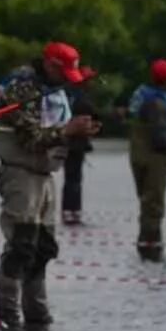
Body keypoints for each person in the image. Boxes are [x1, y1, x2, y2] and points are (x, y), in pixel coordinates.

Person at [0, 42, 101, 328]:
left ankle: (37, 316)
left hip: (46, 174)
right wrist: (67, 130)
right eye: (62, 72)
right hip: (20, 173)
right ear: (50, 64)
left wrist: (81, 131)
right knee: (21, 245)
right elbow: (30, 137)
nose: (66, 79)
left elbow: (55, 131)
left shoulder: (56, 88)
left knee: (43, 247)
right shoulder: (21, 87)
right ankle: (7, 315)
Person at [126, 58, 166, 260]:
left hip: (137, 154)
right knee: (154, 204)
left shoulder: (142, 95)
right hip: (152, 158)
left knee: (146, 202)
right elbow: (160, 136)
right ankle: (151, 249)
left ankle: (147, 244)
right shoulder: (158, 103)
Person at [60, 83, 96, 225]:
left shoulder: (68, 95)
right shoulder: (79, 98)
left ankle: (70, 210)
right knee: (74, 179)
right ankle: (72, 210)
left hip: (71, 142)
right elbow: (89, 111)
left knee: (72, 178)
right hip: (75, 143)